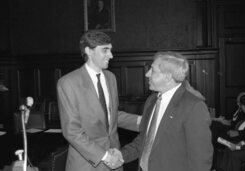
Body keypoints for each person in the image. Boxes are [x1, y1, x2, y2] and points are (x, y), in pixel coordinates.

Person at [57, 30, 140, 171]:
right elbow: (72, 131)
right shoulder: (68, 83)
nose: (111, 55)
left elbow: (110, 115)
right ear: (88, 51)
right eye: (105, 50)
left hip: (115, 160)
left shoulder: (111, 78)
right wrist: (105, 156)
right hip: (86, 163)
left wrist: (145, 121)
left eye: (111, 50)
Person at [121, 51, 213, 171]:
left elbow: (201, 158)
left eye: (152, 70)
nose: (147, 74)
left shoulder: (194, 106)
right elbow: (145, 139)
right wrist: (121, 156)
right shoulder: (152, 100)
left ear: (168, 76)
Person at [219, 94, 245, 171]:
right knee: (229, 148)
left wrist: (237, 147)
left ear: (244, 106)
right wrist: (241, 143)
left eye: (241, 105)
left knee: (234, 154)